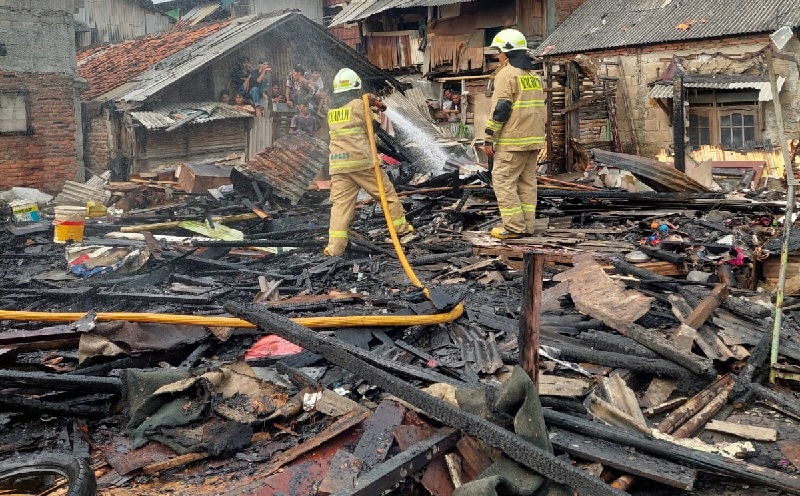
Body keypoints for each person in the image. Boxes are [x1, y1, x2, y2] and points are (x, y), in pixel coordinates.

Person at [323, 68, 413, 257]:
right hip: (362, 163)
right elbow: (373, 128)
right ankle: (401, 231)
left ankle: (335, 248)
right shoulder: (358, 105)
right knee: (386, 195)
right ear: (356, 87)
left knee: (340, 207)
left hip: (338, 166)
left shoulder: (332, 111)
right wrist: (372, 106)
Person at [483, 28, 545, 240]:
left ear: (507, 52)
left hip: (512, 140)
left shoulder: (507, 74)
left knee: (502, 181)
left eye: (499, 51)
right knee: (526, 183)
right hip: (533, 140)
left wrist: (489, 137)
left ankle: (513, 227)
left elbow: (501, 109)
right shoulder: (533, 76)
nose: (497, 55)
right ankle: (527, 226)